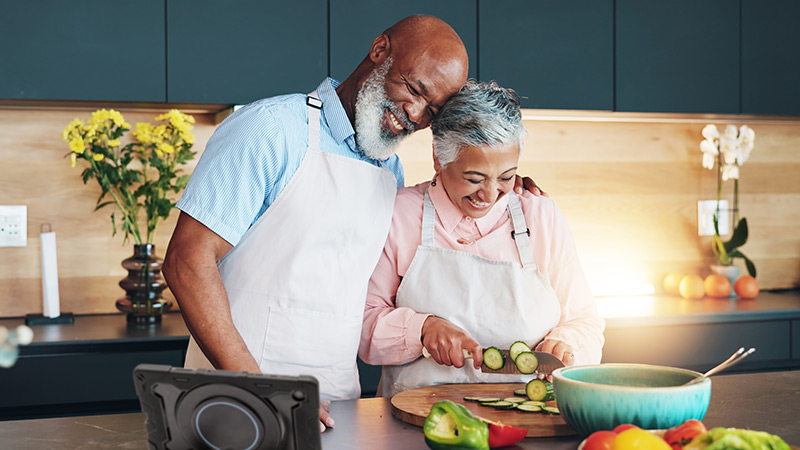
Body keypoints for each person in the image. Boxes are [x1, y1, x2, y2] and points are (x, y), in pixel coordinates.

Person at [359, 80, 605, 397]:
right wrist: (422, 330)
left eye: (506, 177)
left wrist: (565, 344)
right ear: (438, 158)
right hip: (414, 421)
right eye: (474, 178)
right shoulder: (398, 214)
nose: (489, 195)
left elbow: (585, 321)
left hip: (527, 419)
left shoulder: (540, 216)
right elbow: (363, 328)